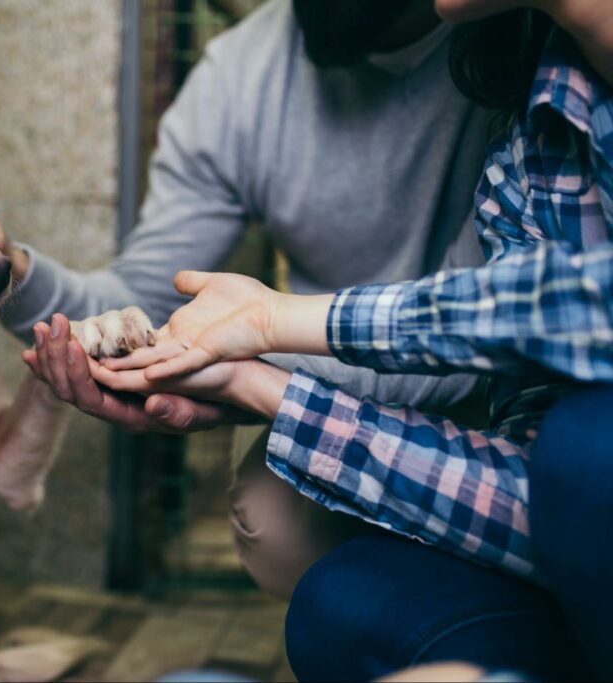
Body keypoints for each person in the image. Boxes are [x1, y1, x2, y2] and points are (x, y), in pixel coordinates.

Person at [0, 0, 497, 599]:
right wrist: (12, 267)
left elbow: (495, 329)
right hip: (346, 378)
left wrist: (246, 378)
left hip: (510, 379)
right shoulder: (240, 74)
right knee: (275, 527)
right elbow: (139, 294)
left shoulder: (513, 50)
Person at [86, 0, 613, 677]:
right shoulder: (530, 121)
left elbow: (561, 309)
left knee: (587, 450)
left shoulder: (485, 87)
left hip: (507, 416)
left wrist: (281, 325)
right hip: (549, 477)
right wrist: (254, 382)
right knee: (336, 602)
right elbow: (544, 502)